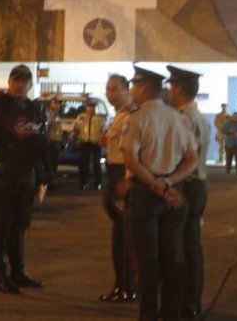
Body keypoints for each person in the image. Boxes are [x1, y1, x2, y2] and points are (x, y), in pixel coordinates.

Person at [121, 66, 198, 321]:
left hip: (146, 194)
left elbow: (131, 160)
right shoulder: (179, 118)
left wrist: (155, 184)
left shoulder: (136, 118)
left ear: (144, 88)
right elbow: (191, 159)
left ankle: (148, 316)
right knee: (173, 258)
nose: (131, 90)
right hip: (173, 193)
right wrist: (169, 182)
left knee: (147, 262)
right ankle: (172, 314)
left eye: (134, 85)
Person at [0, 64, 46, 294]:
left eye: (25, 81)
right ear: (9, 82)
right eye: (16, 80)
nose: (20, 85)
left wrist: (44, 173)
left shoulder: (33, 106)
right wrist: (12, 131)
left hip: (26, 171)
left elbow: (42, 136)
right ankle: (0, 273)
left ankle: (18, 271)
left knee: (20, 223)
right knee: (2, 223)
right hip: (6, 169)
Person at [167, 66, 210, 320]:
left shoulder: (183, 118)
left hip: (186, 185)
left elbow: (180, 158)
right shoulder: (201, 119)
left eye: (172, 87)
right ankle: (193, 300)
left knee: (182, 247)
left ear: (178, 89)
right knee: (193, 245)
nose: (170, 92)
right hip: (199, 185)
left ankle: (187, 301)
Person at [98, 74, 137, 303]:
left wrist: (128, 179)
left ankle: (126, 286)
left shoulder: (131, 115)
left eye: (114, 89)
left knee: (124, 238)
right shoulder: (120, 115)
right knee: (122, 236)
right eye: (107, 89)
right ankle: (123, 285)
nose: (109, 93)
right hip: (114, 175)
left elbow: (131, 151)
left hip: (123, 176)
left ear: (127, 90)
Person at [74, 99, 105, 190]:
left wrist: (102, 140)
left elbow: (104, 130)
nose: (90, 108)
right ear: (86, 108)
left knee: (96, 164)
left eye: (92, 106)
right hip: (84, 143)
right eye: (88, 106)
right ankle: (83, 183)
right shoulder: (81, 117)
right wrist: (76, 139)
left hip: (96, 143)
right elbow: (76, 128)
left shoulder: (100, 118)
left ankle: (98, 183)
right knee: (83, 164)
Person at [222, 107, 237, 175]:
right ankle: (228, 169)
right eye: (234, 116)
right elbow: (223, 130)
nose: (236, 117)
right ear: (232, 117)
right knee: (228, 158)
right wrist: (229, 131)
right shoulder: (227, 123)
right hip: (229, 144)